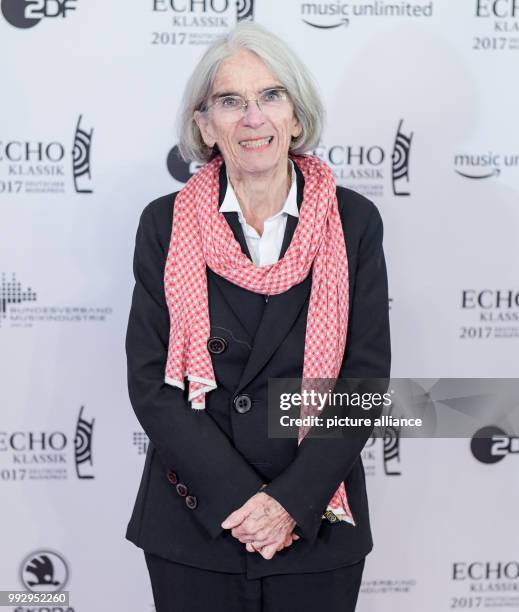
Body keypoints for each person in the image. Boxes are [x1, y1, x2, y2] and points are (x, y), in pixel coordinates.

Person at [125, 21, 390, 612]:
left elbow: (364, 381)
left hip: (315, 521)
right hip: (196, 520)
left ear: (297, 117)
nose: (253, 117)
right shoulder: (164, 223)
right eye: (230, 101)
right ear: (204, 124)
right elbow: (151, 382)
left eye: (271, 96)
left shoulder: (355, 222)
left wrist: (288, 504)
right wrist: (241, 503)